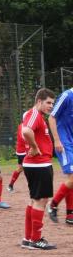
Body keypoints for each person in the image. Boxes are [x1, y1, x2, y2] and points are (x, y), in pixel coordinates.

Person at [21, 88, 56, 250]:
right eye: (48, 103)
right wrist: (34, 147)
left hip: (37, 164)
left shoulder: (37, 116)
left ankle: (28, 238)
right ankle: (36, 239)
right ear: (39, 101)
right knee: (41, 200)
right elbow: (26, 131)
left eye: (52, 103)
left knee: (35, 200)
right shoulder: (34, 114)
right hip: (39, 164)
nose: (51, 106)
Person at [47, 88, 73, 225]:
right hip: (64, 143)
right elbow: (51, 117)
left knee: (71, 179)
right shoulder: (67, 96)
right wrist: (57, 140)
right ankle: (53, 204)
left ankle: (70, 215)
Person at [8, 116, 29, 193]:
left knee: (22, 168)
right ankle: (10, 185)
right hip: (22, 151)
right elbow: (24, 138)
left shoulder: (28, 125)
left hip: (26, 150)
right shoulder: (22, 126)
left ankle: (10, 185)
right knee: (25, 168)